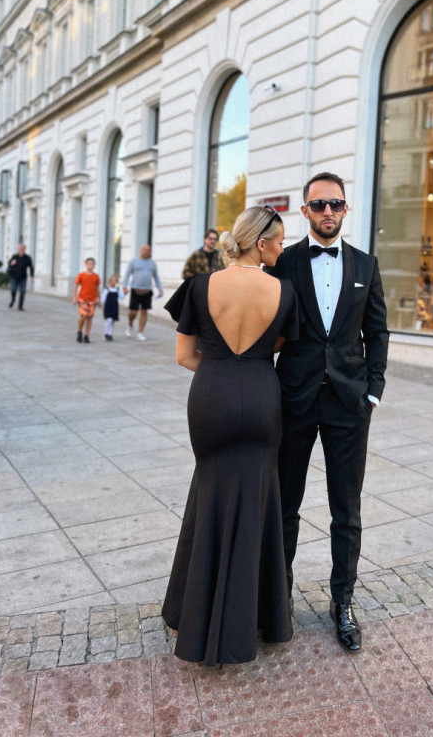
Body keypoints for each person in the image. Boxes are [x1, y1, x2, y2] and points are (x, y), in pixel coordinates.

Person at [162, 205, 298, 666]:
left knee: (210, 493)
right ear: (260, 243)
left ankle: (194, 613)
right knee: (258, 499)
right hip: (262, 396)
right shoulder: (283, 290)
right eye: (278, 241)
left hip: (211, 398)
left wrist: (220, 369)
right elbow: (276, 346)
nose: (282, 248)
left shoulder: (200, 286)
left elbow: (183, 356)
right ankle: (253, 619)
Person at [268, 171, 389, 653]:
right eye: (318, 205)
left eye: (335, 204)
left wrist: (373, 390)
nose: (327, 212)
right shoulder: (283, 264)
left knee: (347, 509)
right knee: (284, 508)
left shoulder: (366, 264)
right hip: (292, 400)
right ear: (304, 211)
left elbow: (377, 332)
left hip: (348, 403)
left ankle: (344, 602)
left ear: (345, 209)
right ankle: (277, 602)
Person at [122, 245, 163, 341]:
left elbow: (156, 277)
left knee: (144, 312)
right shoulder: (134, 262)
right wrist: (124, 287)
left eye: (148, 250)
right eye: (144, 249)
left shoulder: (152, 264)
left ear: (150, 252)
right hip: (135, 290)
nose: (146, 251)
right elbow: (127, 274)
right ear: (140, 250)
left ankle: (140, 332)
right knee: (133, 312)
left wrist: (160, 289)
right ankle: (130, 324)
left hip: (147, 291)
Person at [73, 258, 101, 343]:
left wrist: (99, 299)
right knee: (83, 316)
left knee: (89, 317)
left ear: (94, 266)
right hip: (82, 299)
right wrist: (75, 297)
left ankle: (86, 335)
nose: (91, 266)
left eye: (92, 264)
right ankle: (79, 331)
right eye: (89, 264)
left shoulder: (96, 276)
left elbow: (97, 288)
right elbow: (76, 286)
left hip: (92, 300)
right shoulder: (81, 275)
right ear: (85, 265)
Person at [7, 244, 34, 310]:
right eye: (19, 249)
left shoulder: (27, 258)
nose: (20, 250)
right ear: (18, 249)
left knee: (23, 291)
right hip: (14, 277)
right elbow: (9, 264)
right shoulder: (14, 256)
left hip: (23, 277)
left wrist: (32, 276)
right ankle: (13, 300)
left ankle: (20, 306)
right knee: (13, 290)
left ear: (24, 249)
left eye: (22, 249)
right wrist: (11, 263)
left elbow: (31, 267)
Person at [101, 274, 124, 341]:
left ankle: (110, 334)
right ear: (109, 281)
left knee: (113, 321)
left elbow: (121, 297)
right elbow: (103, 297)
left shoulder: (117, 289)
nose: (113, 282)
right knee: (109, 320)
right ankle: (106, 333)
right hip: (108, 306)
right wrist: (100, 303)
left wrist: (125, 293)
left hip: (115, 306)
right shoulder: (107, 289)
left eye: (115, 280)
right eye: (112, 280)